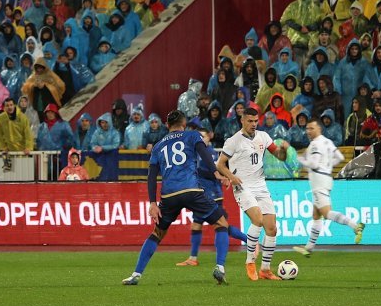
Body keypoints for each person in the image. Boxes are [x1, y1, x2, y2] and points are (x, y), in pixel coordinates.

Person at [122, 110, 233, 286]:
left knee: (157, 233)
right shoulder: (191, 135)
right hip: (191, 190)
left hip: (169, 195)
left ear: (167, 125)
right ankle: (220, 267)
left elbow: (151, 176)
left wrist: (152, 203)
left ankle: (136, 274)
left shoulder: (158, 145)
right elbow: (204, 154)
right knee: (221, 224)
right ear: (184, 124)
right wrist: (216, 173)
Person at [216, 107, 289, 281]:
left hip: (260, 185)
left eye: (256, 121)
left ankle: (265, 269)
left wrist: (284, 150)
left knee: (271, 228)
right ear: (242, 120)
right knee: (257, 219)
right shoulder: (233, 141)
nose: (253, 124)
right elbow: (220, 165)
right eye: (250, 121)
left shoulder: (263, 137)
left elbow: (279, 155)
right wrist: (231, 177)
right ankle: (250, 262)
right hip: (242, 185)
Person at [175, 128, 248, 267]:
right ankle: (193, 258)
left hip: (212, 195)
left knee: (221, 226)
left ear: (209, 138)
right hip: (202, 195)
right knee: (196, 225)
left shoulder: (210, 153)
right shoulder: (198, 152)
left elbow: (212, 172)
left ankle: (250, 242)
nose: (201, 139)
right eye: (199, 136)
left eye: (203, 136)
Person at [293, 118, 364, 255]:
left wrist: (299, 158)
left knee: (326, 213)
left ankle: (355, 226)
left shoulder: (314, 144)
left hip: (318, 181)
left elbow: (313, 164)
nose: (308, 131)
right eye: (307, 129)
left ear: (319, 128)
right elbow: (339, 157)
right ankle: (309, 248)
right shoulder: (326, 141)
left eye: (311, 128)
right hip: (325, 179)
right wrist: (327, 166)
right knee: (316, 214)